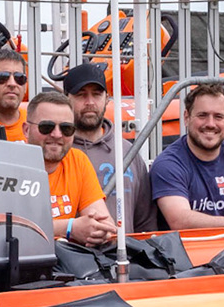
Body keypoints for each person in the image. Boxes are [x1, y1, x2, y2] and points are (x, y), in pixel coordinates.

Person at [150, 82, 224, 230]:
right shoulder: (168, 164)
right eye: (202, 115)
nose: (210, 124)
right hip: (182, 250)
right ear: (186, 117)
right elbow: (179, 220)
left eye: (218, 116)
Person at [62, 62, 157, 232]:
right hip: (72, 256)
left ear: (107, 98)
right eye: (81, 95)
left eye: (97, 94)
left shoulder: (128, 152)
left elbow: (145, 222)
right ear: (66, 98)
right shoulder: (58, 153)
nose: (90, 102)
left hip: (126, 255)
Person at [26, 90, 118, 245]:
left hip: (67, 265)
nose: (56, 134)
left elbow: (105, 225)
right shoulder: (8, 163)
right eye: (46, 127)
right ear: (26, 129)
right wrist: (69, 227)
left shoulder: (78, 160)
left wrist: (98, 230)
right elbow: (6, 228)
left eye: (66, 128)